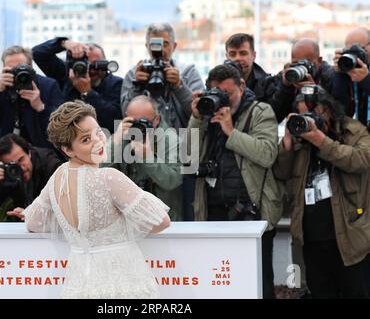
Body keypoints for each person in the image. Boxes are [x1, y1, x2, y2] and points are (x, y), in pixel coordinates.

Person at [23, 100, 171, 298]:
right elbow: (160, 221)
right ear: (67, 150)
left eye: (98, 132)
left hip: (78, 283)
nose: (98, 141)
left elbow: (33, 222)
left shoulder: (57, 178)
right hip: (122, 282)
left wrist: (75, 232)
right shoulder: (108, 177)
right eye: (85, 140)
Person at [188, 64, 283, 299]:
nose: (223, 100)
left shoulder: (261, 111)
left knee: (259, 284)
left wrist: (231, 132)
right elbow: (187, 157)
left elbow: (267, 154)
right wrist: (197, 118)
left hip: (252, 212)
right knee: (218, 284)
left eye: (227, 94)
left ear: (242, 86)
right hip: (213, 211)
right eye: (216, 93)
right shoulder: (208, 112)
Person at [274, 86, 370, 298]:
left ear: (329, 109)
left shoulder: (351, 129)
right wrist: (288, 143)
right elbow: (281, 172)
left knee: (356, 292)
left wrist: (321, 141)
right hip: (311, 239)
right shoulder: (300, 138)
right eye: (305, 114)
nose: (311, 120)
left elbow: (361, 160)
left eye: (316, 113)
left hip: (349, 235)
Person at [105, 95, 183, 221]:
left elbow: (172, 181)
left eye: (143, 122)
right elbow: (98, 170)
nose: (137, 127)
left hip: (162, 217)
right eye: (133, 122)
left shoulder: (171, 140)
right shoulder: (122, 136)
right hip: (127, 216)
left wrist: (148, 157)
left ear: (156, 119)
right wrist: (115, 142)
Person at [0, 46, 63, 148]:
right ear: (4, 69)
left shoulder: (48, 85)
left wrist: (41, 107)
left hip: (41, 154)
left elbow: (61, 128)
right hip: (7, 152)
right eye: (12, 69)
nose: (17, 72)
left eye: (21, 67)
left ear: (31, 66)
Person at [121, 22, 204, 130]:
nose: (161, 50)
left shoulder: (188, 73)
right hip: (146, 141)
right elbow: (126, 114)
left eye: (165, 44)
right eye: (154, 44)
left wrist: (179, 86)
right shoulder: (135, 74)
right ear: (147, 47)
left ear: (174, 46)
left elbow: (199, 114)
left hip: (184, 141)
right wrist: (137, 87)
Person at [32, 38, 122, 133]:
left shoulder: (117, 84)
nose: (90, 70)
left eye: (97, 65)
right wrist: (63, 43)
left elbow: (114, 122)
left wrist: (87, 92)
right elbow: (37, 53)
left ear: (105, 64)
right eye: (85, 64)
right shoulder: (66, 75)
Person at [0, 134, 63, 222]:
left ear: (29, 153)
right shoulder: (7, 174)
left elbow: (68, 210)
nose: (21, 168)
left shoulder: (51, 165)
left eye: (21, 160)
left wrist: (33, 216)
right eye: (13, 166)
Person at [270, 38, 335, 123]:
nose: (301, 67)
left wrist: (315, 91)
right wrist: (285, 87)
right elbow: (274, 119)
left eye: (307, 62)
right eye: (296, 62)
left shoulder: (330, 76)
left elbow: (337, 118)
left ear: (319, 61)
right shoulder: (287, 75)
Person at [332, 27, 370, 131]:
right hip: (359, 137)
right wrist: (339, 73)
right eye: (349, 51)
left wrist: (366, 80)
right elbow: (341, 110)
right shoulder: (347, 70)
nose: (354, 55)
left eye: (359, 49)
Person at [225, 33, 276, 105]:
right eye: (232, 54)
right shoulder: (217, 82)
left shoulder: (266, 84)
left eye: (243, 53)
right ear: (227, 57)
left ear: (253, 55)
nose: (237, 58)